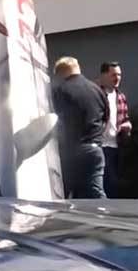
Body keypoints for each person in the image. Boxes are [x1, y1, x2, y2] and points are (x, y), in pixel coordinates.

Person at [51, 56, 107, 198]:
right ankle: (102, 217)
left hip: (73, 151)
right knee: (95, 193)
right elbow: (105, 118)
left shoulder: (62, 90)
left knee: (65, 195)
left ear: (60, 73)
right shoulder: (97, 90)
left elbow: (57, 120)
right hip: (95, 150)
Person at [97, 61, 131, 198]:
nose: (117, 78)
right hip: (99, 146)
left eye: (119, 75)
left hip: (115, 146)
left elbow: (125, 119)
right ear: (104, 76)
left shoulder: (120, 97)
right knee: (105, 184)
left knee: (114, 185)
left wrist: (127, 126)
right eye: (113, 75)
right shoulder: (96, 94)